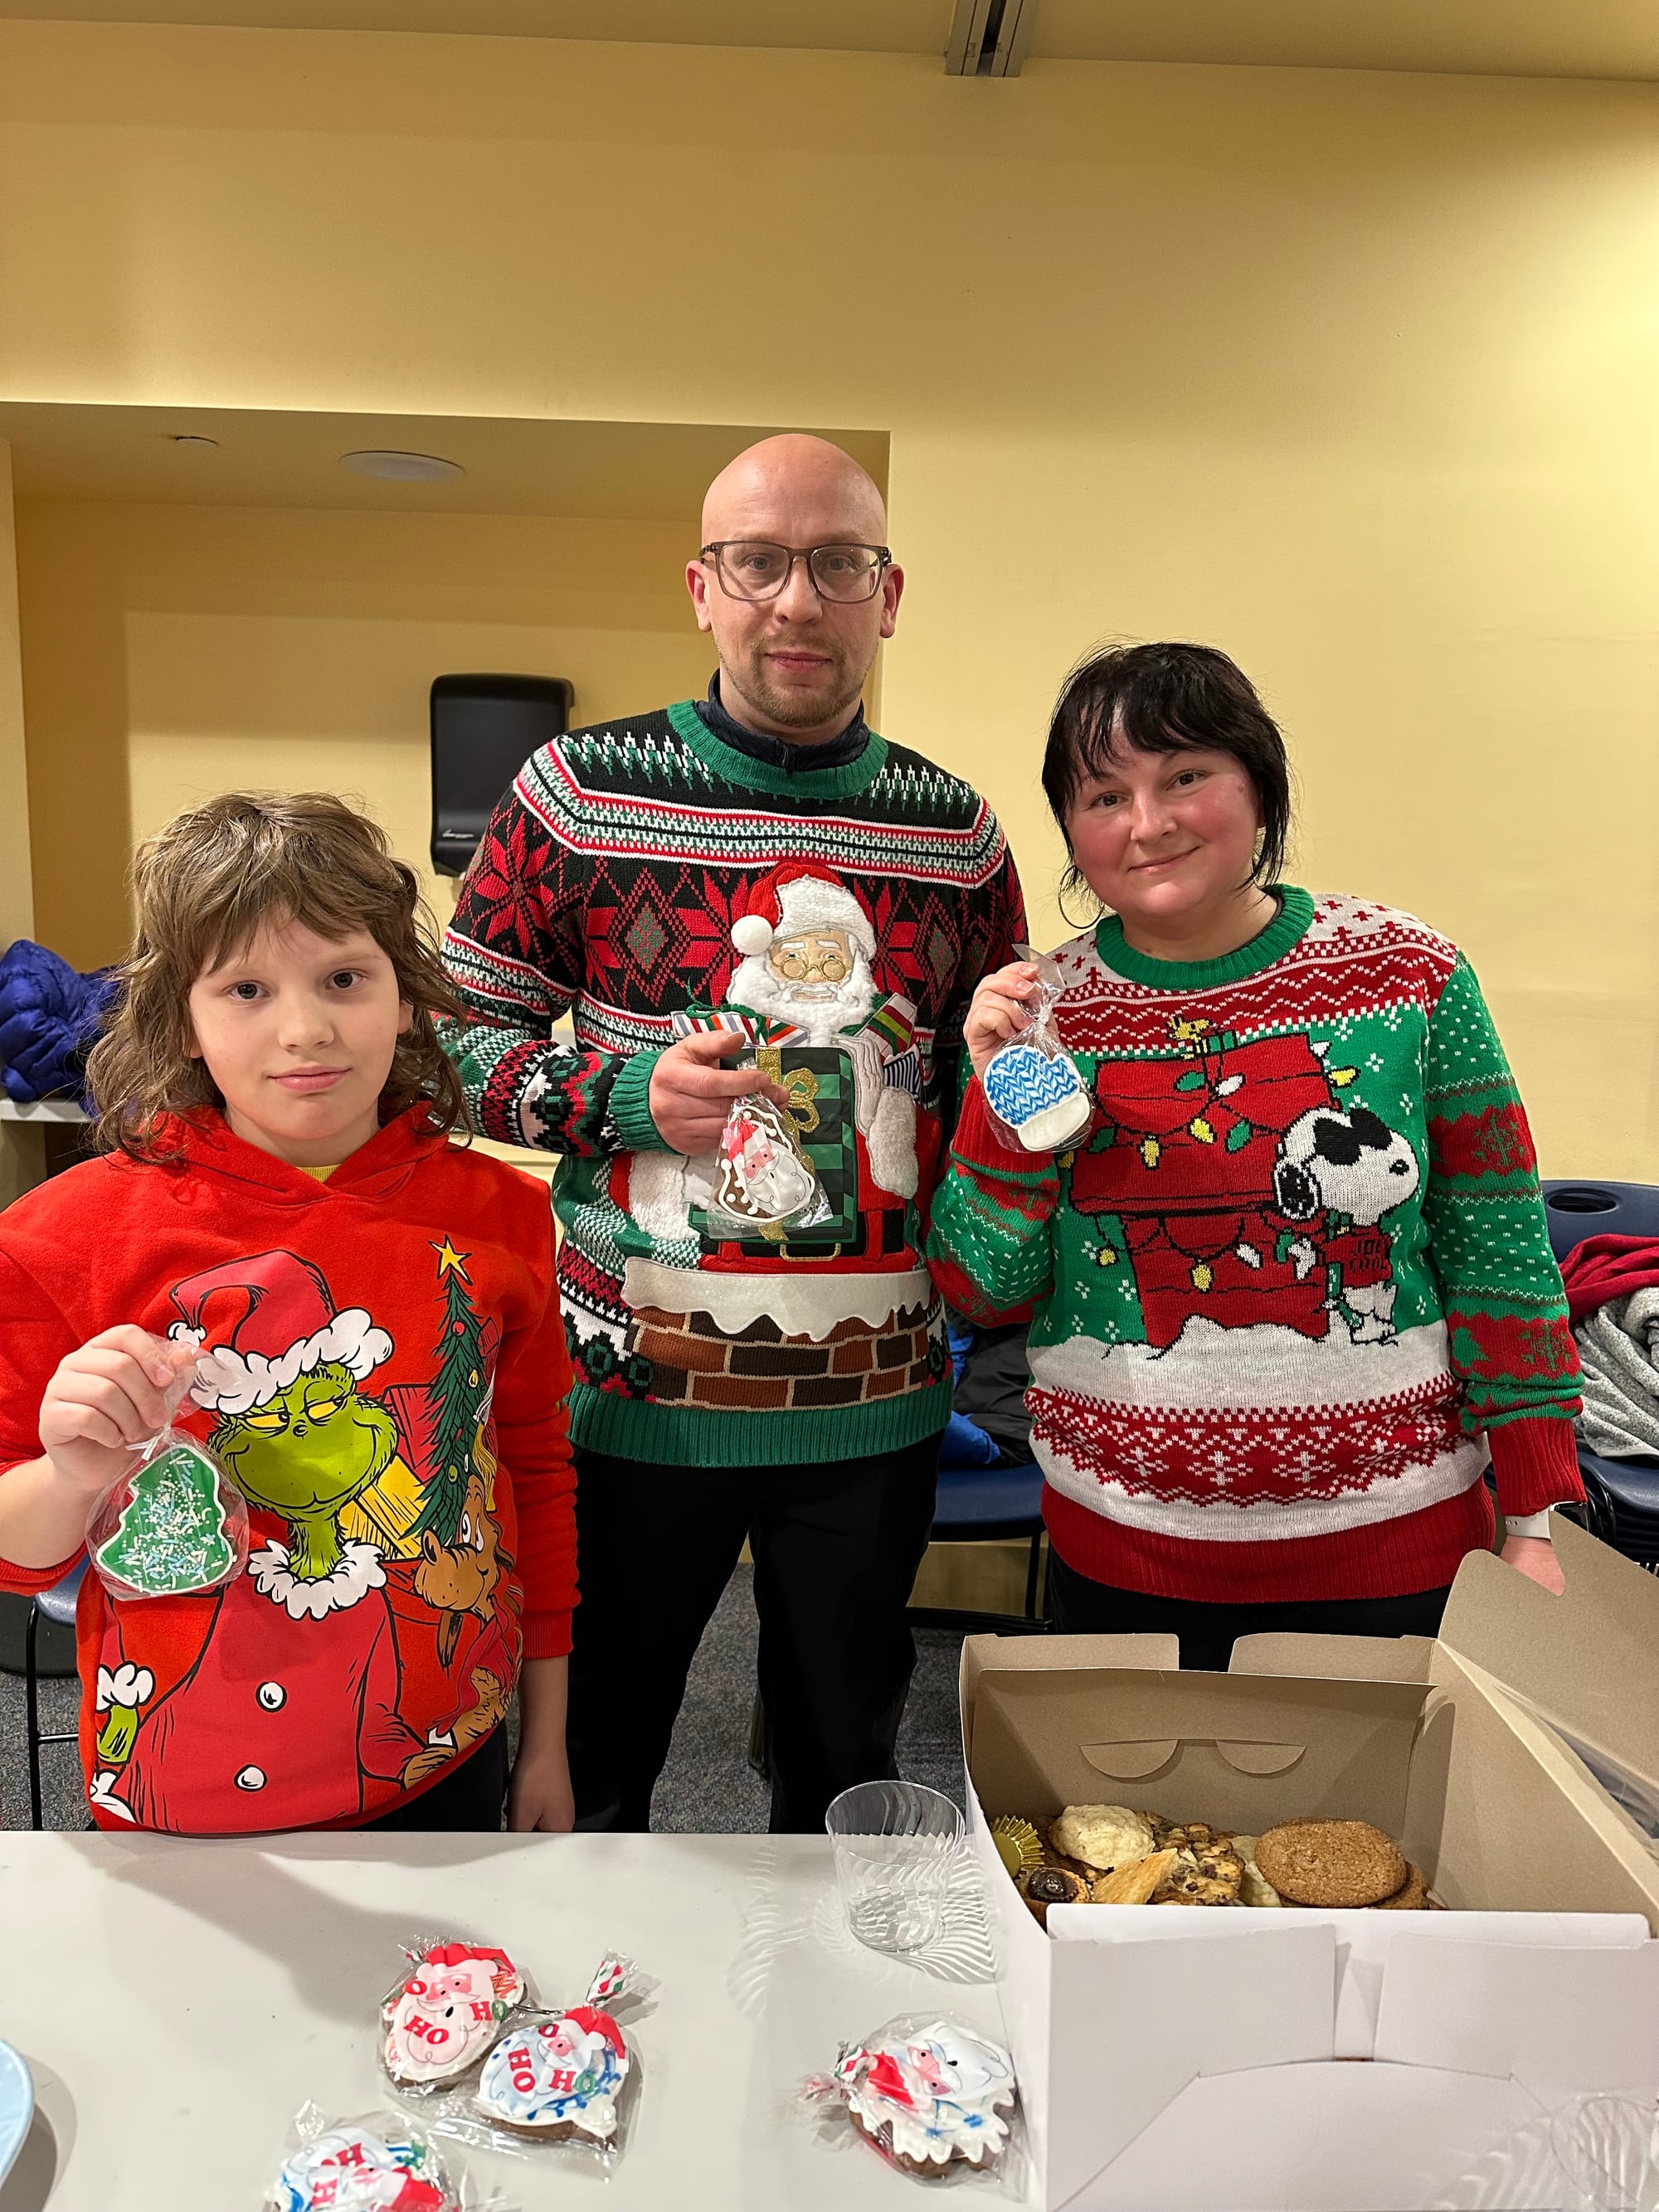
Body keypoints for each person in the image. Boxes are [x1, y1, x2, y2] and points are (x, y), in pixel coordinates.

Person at [441, 433, 1024, 1830]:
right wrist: (625, 1099)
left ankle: (829, 2043)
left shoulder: (960, 838)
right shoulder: (570, 793)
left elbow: (977, 1102)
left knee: (844, 1760)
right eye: (760, 563)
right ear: (702, 587)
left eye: (839, 564)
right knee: (599, 1753)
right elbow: (443, 1052)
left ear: (890, 596)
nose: (798, 601)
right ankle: (577, 2036)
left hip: (872, 1404)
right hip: (627, 1393)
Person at [927, 641, 1582, 1669]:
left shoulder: (1408, 972)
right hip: (1120, 1554)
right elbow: (983, 1290)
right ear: (1069, 829)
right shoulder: (1037, 1012)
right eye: (1103, 795)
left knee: (1375, 1831)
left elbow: (1495, 1244)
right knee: (1134, 1829)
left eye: (1184, 776)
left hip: (1395, 1548)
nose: (1148, 823)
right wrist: (998, 1109)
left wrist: (1534, 1516)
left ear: (1259, 786)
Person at [0, 792, 577, 1833]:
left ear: (407, 999)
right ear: (181, 1018)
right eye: (247, 988)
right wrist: (74, 1471)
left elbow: (531, 1480)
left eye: (345, 979)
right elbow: (17, 1550)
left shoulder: (500, 1217)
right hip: (186, 1786)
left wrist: (547, 1743)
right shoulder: (57, 1240)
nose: (304, 1030)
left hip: (443, 1758)